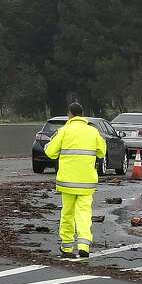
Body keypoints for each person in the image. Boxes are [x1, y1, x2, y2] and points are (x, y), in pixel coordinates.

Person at [44, 102, 106, 258]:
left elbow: (50, 153)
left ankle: (66, 247)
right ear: (83, 114)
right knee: (84, 214)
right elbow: (102, 152)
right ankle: (84, 245)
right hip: (86, 182)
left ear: (69, 114)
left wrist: (47, 147)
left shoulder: (63, 131)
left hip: (67, 182)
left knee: (67, 214)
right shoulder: (93, 131)